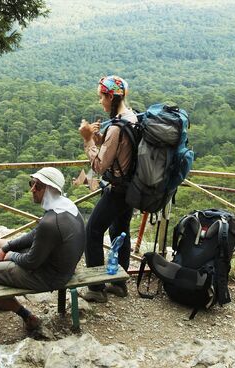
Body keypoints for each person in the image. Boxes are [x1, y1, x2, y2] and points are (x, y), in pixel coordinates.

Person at [0, 167, 85, 332]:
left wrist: (10, 255)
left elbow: (31, 262)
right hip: (62, 266)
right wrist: (7, 247)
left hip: (49, 277)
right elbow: (36, 233)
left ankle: (26, 316)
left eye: (37, 186)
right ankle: (3, 292)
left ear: (49, 189)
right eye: (32, 183)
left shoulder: (51, 222)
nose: (32, 189)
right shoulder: (66, 207)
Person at [78, 75, 137, 303]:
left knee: (91, 230)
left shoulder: (116, 127)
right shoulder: (132, 117)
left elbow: (100, 166)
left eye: (102, 97)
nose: (100, 102)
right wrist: (100, 138)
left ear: (111, 97)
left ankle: (95, 288)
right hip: (132, 189)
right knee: (120, 232)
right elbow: (122, 151)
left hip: (117, 190)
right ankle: (119, 284)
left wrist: (87, 140)